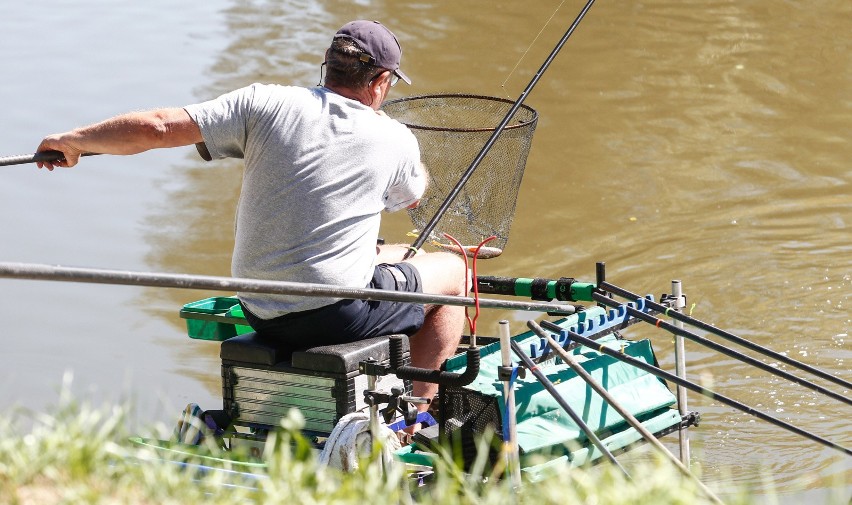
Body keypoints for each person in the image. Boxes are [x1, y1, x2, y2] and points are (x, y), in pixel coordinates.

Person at [35, 20, 467, 414]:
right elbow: (412, 197)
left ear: (327, 68)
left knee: (392, 254)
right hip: (334, 315)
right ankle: (414, 416)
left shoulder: (264, 101)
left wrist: (75, 141)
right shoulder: (394, 137)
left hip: (261, 309)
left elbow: (159, 128)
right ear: (381, 82)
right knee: (454, 274)